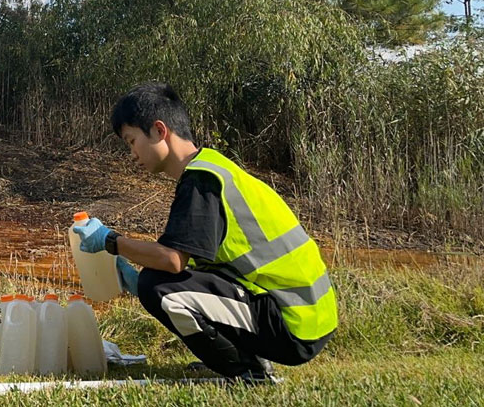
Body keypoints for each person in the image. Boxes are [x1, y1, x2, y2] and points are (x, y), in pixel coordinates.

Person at [74, 82, 337, 384]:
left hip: (293, 324)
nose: (132, 153)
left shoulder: (201, 181)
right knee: (152, 281)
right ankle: (244, 354)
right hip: (305, 317)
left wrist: (112, 242)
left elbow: (173, 261)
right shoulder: (213, 168)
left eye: (132, 141)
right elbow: (205, 263)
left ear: (160, 131)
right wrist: (133, 273)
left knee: (155, 286)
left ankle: (246, 370)